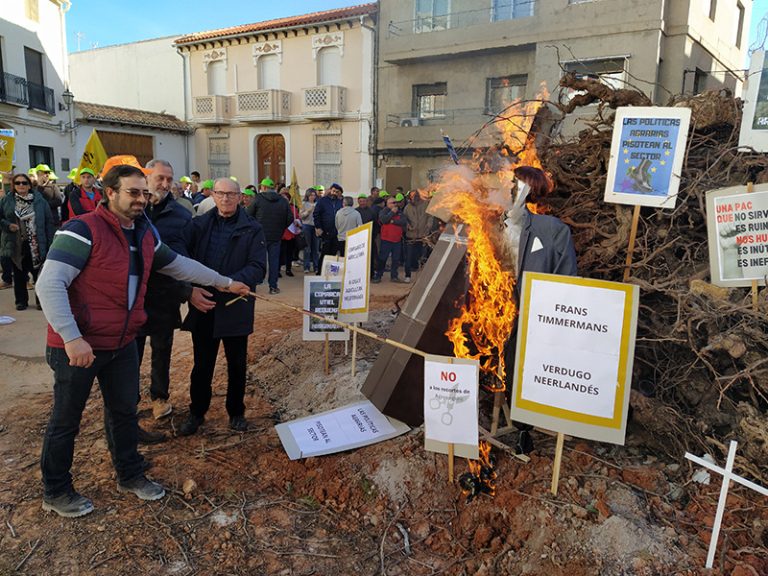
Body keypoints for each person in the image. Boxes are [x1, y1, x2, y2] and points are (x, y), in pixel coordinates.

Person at [35, 163, 250, 518]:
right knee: (65, 421)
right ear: (110, 193)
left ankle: (130, 475)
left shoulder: (144, 234)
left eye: (143, 193)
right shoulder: (82, 230)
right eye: (133, 193)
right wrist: (72, 338)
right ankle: (56, 490)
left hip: (121, 343)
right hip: (78, 347)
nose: (140, 199)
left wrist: (224, 282)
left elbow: (180, 265)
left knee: (123, 413)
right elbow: (49, 284)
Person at [179, 178, 267, 436]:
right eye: (221, 193)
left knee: (237, 364)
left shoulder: (252, 229)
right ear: (213, 196)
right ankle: (197, 412)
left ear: (241, 197)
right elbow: (183, 260)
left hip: (236, 304)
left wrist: (231, 284)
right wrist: (190, 289)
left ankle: (236, 412)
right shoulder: (198, 225)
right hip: (204, 303)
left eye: (231, 194)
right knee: (202, 364)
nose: (226, 199)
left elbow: (258, 267)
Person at [503, 165, 577, 454]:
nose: (515, 192)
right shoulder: (489, 226)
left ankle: (523, 427)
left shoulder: (553, 231)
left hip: (532, 314)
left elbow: (566, 278)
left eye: (521, 187)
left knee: (522, 367)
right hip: (492, 311)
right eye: (512, 185)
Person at [135, 159, 193, 425]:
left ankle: (159, 398)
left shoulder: (180, 215)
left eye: (170, 179)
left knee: (161, 350)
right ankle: (128, 401)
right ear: (146, 177)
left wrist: (185, 291)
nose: (166, 184)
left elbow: (184, 256)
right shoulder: (131, 210)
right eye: (160, 178)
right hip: (132, 296)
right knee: (129, 354)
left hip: (164, 295)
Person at [0, 172, 55, 310]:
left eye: (24, 183)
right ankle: (21, 301)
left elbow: (49, 222)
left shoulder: (40, 201)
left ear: (29, 185)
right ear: (13, 185)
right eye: (17, 183)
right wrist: (8, 225)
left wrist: (50, 243)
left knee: (39, 274)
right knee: (19, 273)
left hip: (37, 243)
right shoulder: (7, 200)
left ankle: (40, 301)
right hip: (16, 243)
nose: (21, 185)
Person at [247, 178, 292, 294]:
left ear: (264, 187)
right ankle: (273, 286)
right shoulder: (283, 201)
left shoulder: (258, 199)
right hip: (276, 236)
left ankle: (257, 282)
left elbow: (248, 215)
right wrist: (281, 228)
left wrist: (255, 228)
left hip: (259, 235)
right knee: (274, 261)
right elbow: (290, 218)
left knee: (258, 260)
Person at [373, 196, 408, 283]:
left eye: (396, 202)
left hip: (397, 240)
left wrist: (393, 221)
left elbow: (403, 222)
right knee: (383, 258)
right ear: (387, 204)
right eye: (393, 203)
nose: (395, 204)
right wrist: (392, 213)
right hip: (386, 240)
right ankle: (378, 276)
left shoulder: (400, 212)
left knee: (396, 259)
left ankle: (394, 276)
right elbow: (384, 220)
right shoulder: (383, 211)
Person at [403, 189, 433, 282]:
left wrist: (428, 225)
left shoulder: (425, 205)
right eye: (412, 196)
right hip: (411, 236)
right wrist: (407, 225)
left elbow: (430, 216)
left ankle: (422, 277)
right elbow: (404, 219)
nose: (414, 198)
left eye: (416, 196)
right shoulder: (407, 208)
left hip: (423, 236)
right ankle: (407, 276)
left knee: (423, 257)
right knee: (409, 258)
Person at [313, 182, 343, 273]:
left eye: (337, 192)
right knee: (325, 252)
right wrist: (318, 227)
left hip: (337, 232)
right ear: (330, 190)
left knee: (334, 253)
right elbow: (316, 214)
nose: (335, 193)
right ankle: (320, 271)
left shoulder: (340, 202)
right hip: (325, 231)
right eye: (333, 191)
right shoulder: (323, 201)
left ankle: (331, 272)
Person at [279, 187, 301, 277]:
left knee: (289, 253)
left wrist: (297, 222)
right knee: (280, 253)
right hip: (281, 234)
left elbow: (298, 218)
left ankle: (288, 269)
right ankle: (278, 270)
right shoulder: (277, 208)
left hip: (291, 233)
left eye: (286, 199)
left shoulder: (293, 208)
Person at [300, 188, 320, 273]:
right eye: (311, 195)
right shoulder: (304, 204)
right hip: (306, 226)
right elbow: (301, 216)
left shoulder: (318, 204)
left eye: (314, 195)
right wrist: (308, 211)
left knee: (316, 248)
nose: (313, 197)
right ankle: (306, 267)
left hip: (315, 226)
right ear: (307, 195)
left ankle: (316, 267)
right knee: (307, 248)